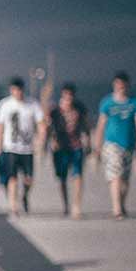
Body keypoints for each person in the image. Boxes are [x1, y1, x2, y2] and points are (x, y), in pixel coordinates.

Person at [0, 77, 45, 217]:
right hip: (10, 147)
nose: (18, 92)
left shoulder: (32, 104)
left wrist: (40, 140)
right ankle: (13, 206)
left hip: (27, 148)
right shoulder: (5, 104)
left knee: (29, 179)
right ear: (11, 90)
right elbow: (0, 126)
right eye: (15, 90)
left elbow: (41, 124)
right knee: (12, 178)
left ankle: (25, 196)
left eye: (20, 89)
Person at [94, 71, 136, 219]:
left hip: (129, 144)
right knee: (115, 175)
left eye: (123, 84)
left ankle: (121, 203)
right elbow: (101, 125)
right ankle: (116, 209)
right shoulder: (107, 103)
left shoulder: (134, 103)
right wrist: (98, 145)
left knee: (125, 178)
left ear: (127, 85)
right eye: (118, 84)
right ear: (114, 85)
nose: (121, 87)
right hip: (112, 144)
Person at [47, 83, 89, 218]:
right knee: (62, 178)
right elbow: (47, 125)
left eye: (71, 95)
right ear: (62, 95)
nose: (68, 98)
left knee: (78, 175)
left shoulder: (80, 108)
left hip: (76, 147)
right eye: (66, 95)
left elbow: (86, 125)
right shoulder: (55, 111)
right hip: (60, 148)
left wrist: (88, 141)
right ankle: (66, 205)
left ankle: (77, 207)